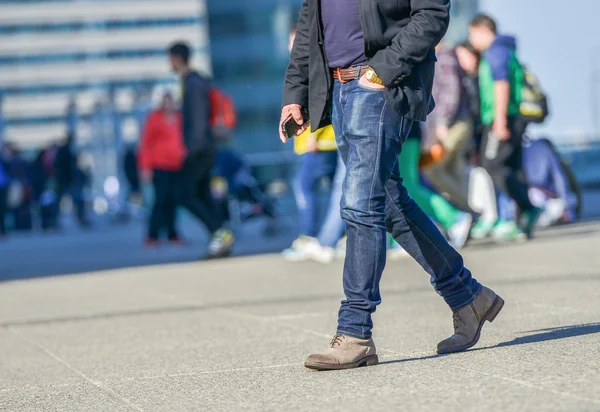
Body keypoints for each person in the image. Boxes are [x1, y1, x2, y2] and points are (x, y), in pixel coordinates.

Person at [281, 0, 503, 371]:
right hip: (339, 91)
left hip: (381, 86)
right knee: (388, 202)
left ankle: (354, 333)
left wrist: (383, 69)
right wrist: (295, 93)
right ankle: (468, 296)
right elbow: (309, 26)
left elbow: (433, 12)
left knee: (359, 205)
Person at [469, 14, 542, 240]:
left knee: (493, 165)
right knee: (511, 166)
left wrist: (499, 121)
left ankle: (526, 209)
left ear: (483, 30)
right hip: (512, 117)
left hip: (501, 118)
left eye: (472, 34)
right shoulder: (505, 49)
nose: (471, 40)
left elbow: (502, 84)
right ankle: (522, 217)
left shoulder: (495, 50)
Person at [167, 42, 234, 258]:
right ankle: (219, 238)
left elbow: (198, 118)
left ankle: (219, 232)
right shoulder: (194, 81)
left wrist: (191, 147)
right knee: (202, 193)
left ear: (178, 58)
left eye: (170, 58)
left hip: (200, 148)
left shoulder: (193, 83)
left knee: (183, 193)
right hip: (203, 146)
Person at [399, 122, 473, 250]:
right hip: (403, 134)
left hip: (404, 134)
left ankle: (454, 218)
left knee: (406, 189)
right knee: (400, 188)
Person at [422, 44, 474, 212]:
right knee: (453, 172)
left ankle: (469, 211)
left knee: (434, 170)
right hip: (456, 123)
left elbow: (451, 91)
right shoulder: (443, 55)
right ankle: (467, 215)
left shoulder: (444, 56)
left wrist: (443, 123)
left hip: (453, 124)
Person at [138, 92, 186, 247]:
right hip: (159, 165)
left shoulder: (179, 118)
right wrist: (145, 167)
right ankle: (153, 235)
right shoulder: (154, 119)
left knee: (173, 201)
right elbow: (145, 144)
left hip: (177, 165)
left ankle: (173, 233)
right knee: (160, 200)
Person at [523, 138, 579, 227]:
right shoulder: (545, 149)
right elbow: (559, 178)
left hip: (525, 199)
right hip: (542, 200)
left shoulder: (520, 149)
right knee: (569, 202)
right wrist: (566, 206)